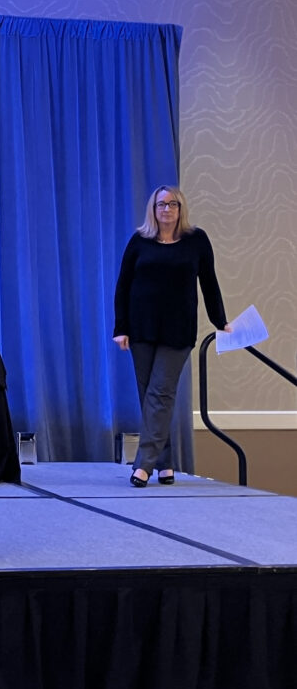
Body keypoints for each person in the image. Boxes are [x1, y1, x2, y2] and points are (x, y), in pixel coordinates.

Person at [113, 185, 231, 487]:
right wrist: (120, 328)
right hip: (141, 329)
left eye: (173, 204)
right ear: (153, 209)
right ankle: (165, 463)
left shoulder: (196, 240)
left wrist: (221, 321)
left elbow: (209, 282)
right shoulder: (140, 241)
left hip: (177, 330)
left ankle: (143, 465)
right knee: (149, 397)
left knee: (160, 394)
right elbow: (123, 286)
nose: (167, 209)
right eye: (161, 204)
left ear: (181, 209)